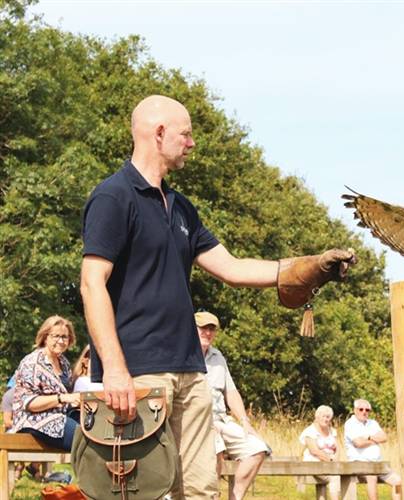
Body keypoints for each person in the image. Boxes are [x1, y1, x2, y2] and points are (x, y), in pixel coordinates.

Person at [80, 95, 356, 498]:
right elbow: (92, 283)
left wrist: (306, 267)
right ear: (159, 134)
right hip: (139, 372)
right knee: (140, 491)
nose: (192, 143)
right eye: (185, 134)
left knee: (199, 490)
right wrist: (116, 370)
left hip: (191, 370)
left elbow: (231, 267)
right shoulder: (113, 197)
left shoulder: (180, 207)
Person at [196, 311, 271, 500]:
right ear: (192, 329)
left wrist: (245, 421)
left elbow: (231, 392)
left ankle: (235, 497)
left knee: (257, 448)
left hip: (221, 419)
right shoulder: (182, 353)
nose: (208, 333)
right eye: (203, 328)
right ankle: (211, 496)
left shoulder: (217, 356)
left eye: (212, 329)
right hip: (196, 420)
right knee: (216, 447)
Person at [10, 315, 82, 451]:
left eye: (65, 337)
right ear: (45, 336)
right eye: (56, 336)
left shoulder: (64, 363)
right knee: (81, 439)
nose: (61, 341)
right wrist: (62, 398)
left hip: (62, 416)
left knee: (94, 429)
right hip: (33, 420)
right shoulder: (32, 362)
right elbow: (29, 403)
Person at [343, 399, 401, 500]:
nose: (364, 412)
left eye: (367, 410)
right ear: (355, 410)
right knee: (372, 477)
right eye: (361, 409)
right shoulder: (350, 423)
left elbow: (384, 438)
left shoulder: (373, 423)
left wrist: (368, 437)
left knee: (398, 481)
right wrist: (374, 439)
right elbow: (358, 443)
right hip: (359, 463)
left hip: (377, 463)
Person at [299, 405, 341, 498]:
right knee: (335, 477)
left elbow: (338, 448)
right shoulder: (309, 431)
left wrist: (335, 459)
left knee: (344, 474)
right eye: (323, 416)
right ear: (317, 417)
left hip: (330, 464)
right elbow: (314, 451)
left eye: (328, 417)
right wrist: (330, 460)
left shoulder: (332, 431)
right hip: (314, 463)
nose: (326, 419)